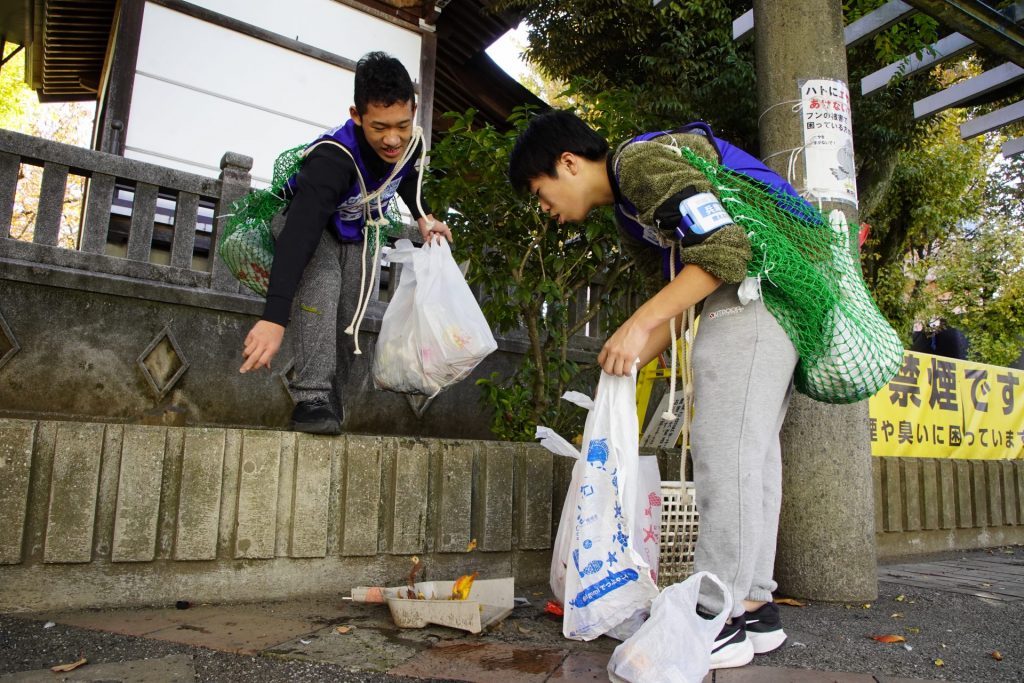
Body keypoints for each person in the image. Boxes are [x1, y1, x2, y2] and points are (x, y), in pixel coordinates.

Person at [509, 110, 797, 669]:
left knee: (725, 451)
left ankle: (714, 615)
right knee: (753, 453)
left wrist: (637, 325)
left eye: (540, 192)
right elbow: (678, 296)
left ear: (568, 163)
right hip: (772, 294)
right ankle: (754, 604)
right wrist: (631, 353)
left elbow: (722, 250)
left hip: (753, 294)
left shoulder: (638, 163)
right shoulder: (630, 215)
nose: (545, 208)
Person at [238, 52, 452, 434]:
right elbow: (299, 235)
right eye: (379, 127)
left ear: (414, 112)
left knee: (352, 311)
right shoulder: (332, 159)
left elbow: (406, 178)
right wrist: (273, 317)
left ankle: (332, 403)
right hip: (303, 224)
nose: (393, 139)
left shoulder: (411, 144)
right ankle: (311, 399)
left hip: (355, 229)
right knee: (323, 282)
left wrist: (424, 216)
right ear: (357, 115)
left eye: (402, 125)